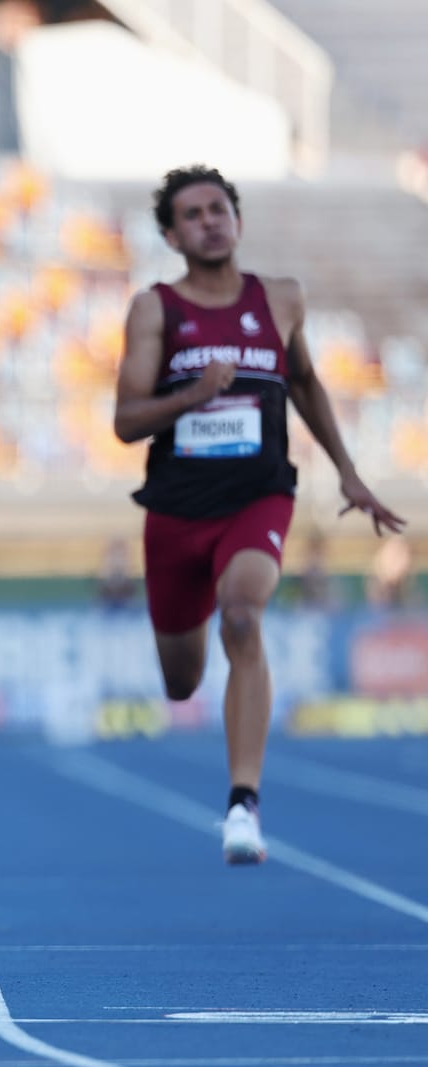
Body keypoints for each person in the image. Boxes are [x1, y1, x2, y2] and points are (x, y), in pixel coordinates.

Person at [114, 165, 405, 865]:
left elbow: (304, 381)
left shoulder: (280, 299)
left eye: (219, 208)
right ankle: (201, 677)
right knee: (181, 678)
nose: (210, 221)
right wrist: (190, 396)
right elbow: (125, 421)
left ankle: (242, 804)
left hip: (259, 493)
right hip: (177, 509)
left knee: (243, 616)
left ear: (237, 221)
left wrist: (349, 471)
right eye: (193, 214)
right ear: (171, 234)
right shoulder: (156, 309)